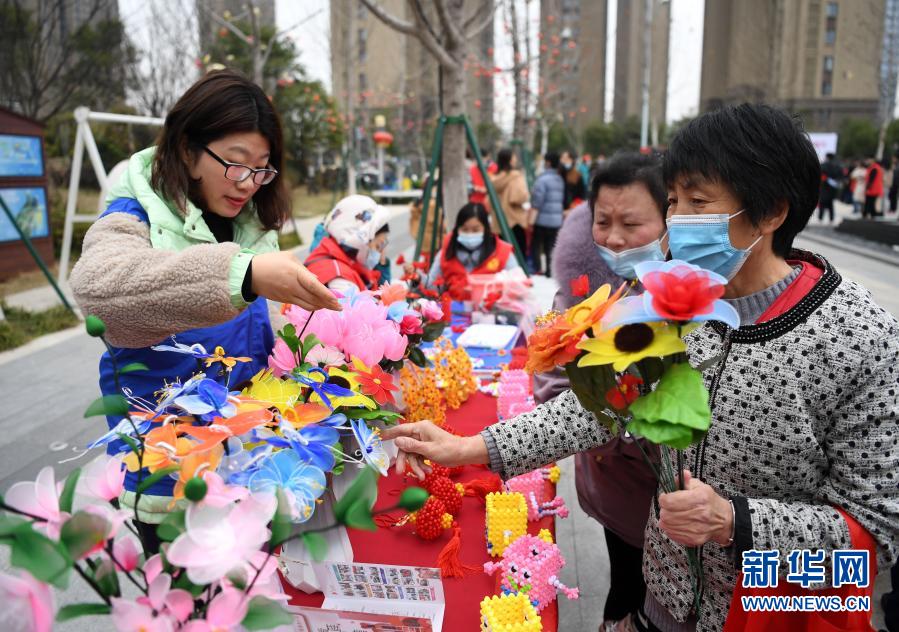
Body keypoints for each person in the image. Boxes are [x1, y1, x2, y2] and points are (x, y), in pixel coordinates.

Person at [384, 104, 899, 632]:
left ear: (771, 212)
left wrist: (734, 522)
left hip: (772, 614)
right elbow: (602, 406)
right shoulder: (676, 304)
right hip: (665, 597)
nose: (676, 222)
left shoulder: (859, 340)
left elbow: (876, 537)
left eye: (698, 202)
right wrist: (469, 448)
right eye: (673, 202)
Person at [69, 69, 339, 541]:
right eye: (236, 163)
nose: (248, 182)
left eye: (262, 168)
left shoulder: (249, 223)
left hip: (250, 460)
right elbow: (100, 291)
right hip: (173, 480)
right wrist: (243, 275)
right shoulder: (134, 215)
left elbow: (261, 339)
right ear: (189, 152)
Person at [536, 152, 668, 631]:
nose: (613, 237)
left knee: (655, 599)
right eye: (602, 221)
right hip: (612, 488)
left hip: (673, 506)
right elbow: (548, 377)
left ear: (671, 219)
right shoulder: (578, 286)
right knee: (626, 581)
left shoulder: (687, 300)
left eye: (631, 223)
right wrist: (604, 430)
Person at [406, 202, 521, 300]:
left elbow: (519, 286)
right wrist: (418, 277)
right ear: (457, 229)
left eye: (476, 229)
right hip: (455, 315)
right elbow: (434, 286)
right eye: (465, 229)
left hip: (492, 317)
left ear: (486, 228)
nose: (470, 234)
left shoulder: (502, 252)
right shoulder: (447, 251)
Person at [304, 195, 391, 294]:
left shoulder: (340, 262)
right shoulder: (339, 281)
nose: (379, 252)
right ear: (359, 239)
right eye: (378, 246)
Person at [490, 148, 531, 256]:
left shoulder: (495, 178)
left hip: (499, 221)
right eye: (514, 157)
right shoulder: (515, 176)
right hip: (515, 219)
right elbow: (519, 197)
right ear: (510, 160)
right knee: (518, 253)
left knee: (501, 253)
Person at [530, 151, 565, 275]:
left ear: (548, 163)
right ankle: (550, 271)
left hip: (542, 219)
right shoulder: (560, 179)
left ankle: (537, 268)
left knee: (537, 244)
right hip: (556, 220)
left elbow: (537, 201)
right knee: (551, 246)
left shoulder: (542, 179)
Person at [818, 152, 842, 223]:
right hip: (833, 187)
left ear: (827, 157)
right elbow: (841, 176)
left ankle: (820, 217)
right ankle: (831, 218)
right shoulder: (838, 166)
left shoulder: (824, 165)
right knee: (830, 203)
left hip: (825, 186)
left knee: (822, 202)